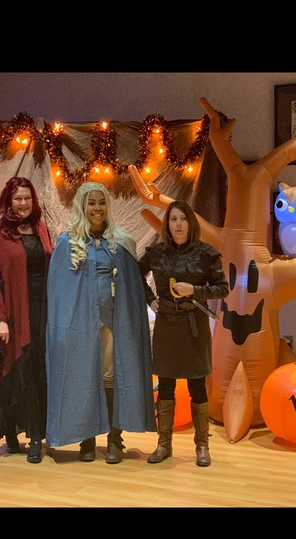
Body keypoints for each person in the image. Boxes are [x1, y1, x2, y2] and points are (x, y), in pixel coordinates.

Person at [45, 181, 156, 464]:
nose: (97, 208)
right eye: (92, 203)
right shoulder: (67, 242)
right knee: (83, 377)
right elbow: (59, 291)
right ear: (82, 206)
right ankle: (87, 439)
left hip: (115, 322)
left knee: (113, 378)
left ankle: (114, 438)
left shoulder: (121, 241)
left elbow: (132, 283)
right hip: (81, 326)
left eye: (102, 202)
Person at [139, 199, 229, 467]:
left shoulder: (206, 254)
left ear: (191, 223)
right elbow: (135, 274)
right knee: (165, 384)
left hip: (194, 326)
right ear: (167, 224)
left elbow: (223, 288)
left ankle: (202, 445)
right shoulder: (157, 253)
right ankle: (164, 444)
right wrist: (150, 299)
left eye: (183, 219)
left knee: (197, 386)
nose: (178, 224)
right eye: (173, 219)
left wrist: (195, 290)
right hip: (166, 324)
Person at [0, 176, 53, 464]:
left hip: (41, 311)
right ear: (8, 201)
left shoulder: (41, 228)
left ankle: (36, 432)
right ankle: (20, 434)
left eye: (27, 198)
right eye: (17, 198)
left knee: (37, 372)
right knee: (16, 372)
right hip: (13, 313)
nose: (23, 203)